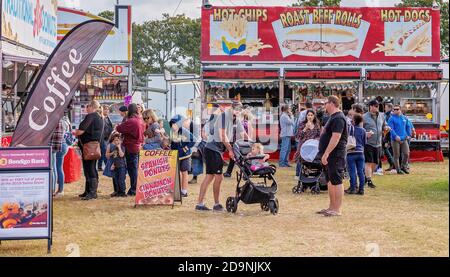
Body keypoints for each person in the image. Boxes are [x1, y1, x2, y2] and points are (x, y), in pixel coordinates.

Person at [196, 101, 247, 211]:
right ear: (232, 108)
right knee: (218, 177)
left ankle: (200, 204)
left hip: (214, 150)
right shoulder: (223, 116)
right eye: (236, 109)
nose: (238, 111)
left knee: (209, 177)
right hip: (212, 149)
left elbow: (243, 134)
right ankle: (216, 204)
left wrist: (252, 143)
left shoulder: (236, 119)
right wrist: (230, 150)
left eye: (240, 109)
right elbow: (222, 136)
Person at [316, 95, 348, 217]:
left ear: (332, 103)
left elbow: (336, 137)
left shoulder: (339, 118)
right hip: (329, 154)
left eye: (325, 103)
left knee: (336, 180)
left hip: (335, 154)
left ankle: (337, 209)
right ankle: (331, 207)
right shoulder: (332, 117)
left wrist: (327, 152)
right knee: (330, 180)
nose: (324, 106)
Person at [75, 100, 104, 200]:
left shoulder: (91, 116)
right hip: (93, 146)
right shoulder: (100, 117)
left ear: (91, 107)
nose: (86, 108)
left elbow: (81, 131)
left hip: (89, 146)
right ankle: (88, 191)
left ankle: (92, 193)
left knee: (89, 168)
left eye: (87, 106)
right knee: (91, 168)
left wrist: (75, 132)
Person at [116, 103, 145, 196]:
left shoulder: (132, 121)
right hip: (137, 146)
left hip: (131, 146)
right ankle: (134, 189)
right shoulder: (140, 120)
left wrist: (120, 125)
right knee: (134, 168)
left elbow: (119, 128)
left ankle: (134, 190)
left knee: (133, 169)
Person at [362, 100, 389, 189]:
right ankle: (369, 180)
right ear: (370, 106)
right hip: (368, 143)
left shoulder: (382, 115)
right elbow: (360, 130)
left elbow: (384, 125)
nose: (375, 108)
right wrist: (366, 134)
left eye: (377, 106)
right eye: (373, 106)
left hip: (378, 143)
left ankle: (367, 177)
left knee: (375, 164)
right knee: (368, 162)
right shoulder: (364, 117)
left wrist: (386, 128)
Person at [170, 115, 196, 197]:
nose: (173, 126)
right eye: (172, 124)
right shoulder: (172, 132)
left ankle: (184, 191)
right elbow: (172, 144)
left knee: (184, 172)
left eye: (175, 124)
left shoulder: (184, 131)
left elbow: (194, 140)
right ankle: (178, 190)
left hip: (185, 156)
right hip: (176, 155)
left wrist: (186, 147)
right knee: (177, 173)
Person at [224, 107, 253, 177]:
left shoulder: (239, 122)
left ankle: (245, 171)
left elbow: (242, 133)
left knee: (237, 158)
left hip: (237, 142)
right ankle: (230, 172)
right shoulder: (245, 123)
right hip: (235, 142)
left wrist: (249, 142)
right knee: (236, 157)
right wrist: (250, 141)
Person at [294, 110, 321, 178]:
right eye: (308, 115)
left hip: (312, 146)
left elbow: (319, 135)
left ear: (314, 116)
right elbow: (298, 136)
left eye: (311, 115)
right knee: (301, 159)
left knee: (310, 159)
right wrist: (305, 128)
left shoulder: (316, 124)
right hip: (303, 145)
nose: (310, 116)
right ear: (306, 116)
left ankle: (309, 174)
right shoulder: (302, 124)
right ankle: (298, 174)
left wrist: (316, 139)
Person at [345, 114, 366, 195]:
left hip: (351, 153)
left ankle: (353, 188)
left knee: (352, 172)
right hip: (360, 153)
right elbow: (364, 142)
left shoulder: (349, 129)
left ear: (353, 121)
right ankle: (361, 189)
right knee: (361, 172)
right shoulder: (363, 130)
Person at [388, 105, 411, 174]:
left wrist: (408, 135)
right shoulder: (391, 119)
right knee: (396, 155)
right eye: (394, 109)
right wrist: (395, 136)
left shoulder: (404, 118)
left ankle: (403, 166)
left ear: (400, 109)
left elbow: (408, 126)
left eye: (397, 109)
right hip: (395, 139)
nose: (395, 110)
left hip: (404, 138)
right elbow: (391, 129)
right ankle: (398, 170)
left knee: (407, 153)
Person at [54, 114, 72, 197]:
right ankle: (60, 189)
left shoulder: (59, 121)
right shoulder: (67, 121)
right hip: (65, 145)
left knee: (57, 168)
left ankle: (60, 190)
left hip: (59, 145)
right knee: (59, 168)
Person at [106, 132, 127, 197]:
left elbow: (121, 155)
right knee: (116, 179)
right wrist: (113, 164)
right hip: (115, 166)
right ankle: (118, 191)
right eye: (115, 140)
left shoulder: (122, 147)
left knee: (121, 180)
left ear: (120, 141)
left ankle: (122, 192)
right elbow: (114, 157)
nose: (116, 141)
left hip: (122, 166)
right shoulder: (114, 148)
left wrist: (119, 147)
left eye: (118, 140)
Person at [49, 119, 64, 196]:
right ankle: (56, 189)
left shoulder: (54, 120)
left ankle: (52, 190)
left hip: (52, 146)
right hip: (55, 146)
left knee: (53, 169)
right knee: (55, 168)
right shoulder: (59, 119)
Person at [98, 105, 114, 171]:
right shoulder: (101, 118)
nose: (106, 110)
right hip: (103, 138)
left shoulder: (108, 118)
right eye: (105, 109)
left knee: (102, 153)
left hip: (108, 138)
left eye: (107, 109)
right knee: (105, 152)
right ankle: (107, 167)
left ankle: (99, 166)